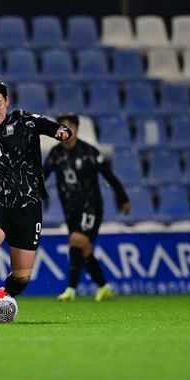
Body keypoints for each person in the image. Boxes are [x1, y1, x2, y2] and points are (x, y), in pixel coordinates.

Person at [0, 77, 72, 324]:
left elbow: (53, 128)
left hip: (28, 206)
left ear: (6, 101)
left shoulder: (26, 121)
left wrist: (62, 132)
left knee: (22, 277)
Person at [43, 113, 131, 302]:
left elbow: (109, 176)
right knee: (82, 246)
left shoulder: (89, 151)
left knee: (77, 240)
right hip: (70, 208)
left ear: (76, 129)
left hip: (91, 206)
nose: (66, 131)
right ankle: (104, 286)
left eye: (70, 127)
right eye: (62, 128)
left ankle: (70, 290)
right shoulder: (56, 154)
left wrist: (123, 198)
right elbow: (43, 176)